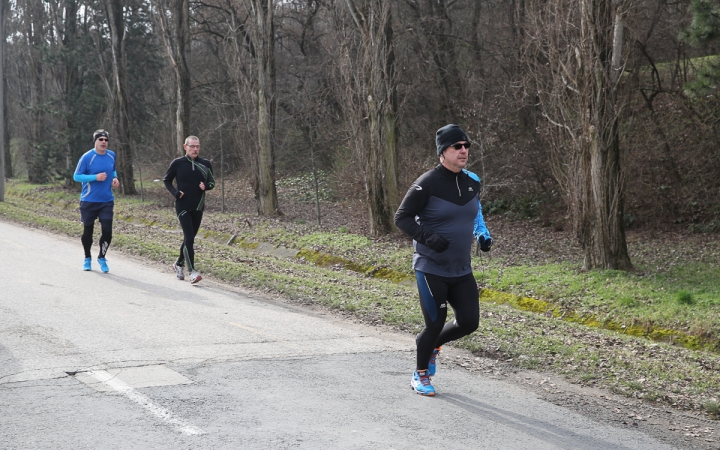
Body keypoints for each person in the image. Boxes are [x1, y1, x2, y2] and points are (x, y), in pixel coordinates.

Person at [394, 124, 493, 396]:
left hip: (460, 268)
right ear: (443, 152)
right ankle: (420, 373)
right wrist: (428, 238)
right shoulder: (427, 183)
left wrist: (482, 234)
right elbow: (401, 217)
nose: (464, 151)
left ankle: (431, 344)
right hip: (431, 267)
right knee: (435, 322)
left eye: (466, 146)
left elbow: (476, 213)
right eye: (457, 147)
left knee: (469, 322)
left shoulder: (472, 181)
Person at [163, 136, 215, 284]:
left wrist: (206, 186)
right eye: (192, 146)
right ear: (185, 147)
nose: (195, 149)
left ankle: (178, 264)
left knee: (189, 239)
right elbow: (166, 180)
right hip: (182, 206)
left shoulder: (205, 164)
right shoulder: (177, 163)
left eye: (197, 146)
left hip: (198, 207)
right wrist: (175, 193)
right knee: (190, 238)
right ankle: (192, 272)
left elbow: (212, 182)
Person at [73, 129, 120, 273]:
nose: (104, 142)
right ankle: (87, 257)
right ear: (95, 141)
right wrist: (95, 177)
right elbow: (77, 176)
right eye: (101, 140)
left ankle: (102, 257)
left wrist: (115, 178)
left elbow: (112, 170)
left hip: (106, 200)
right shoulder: (87, 157)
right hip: (89, 200)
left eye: (106, 140)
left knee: (107, 231)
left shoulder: (111, 155)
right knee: (88, 231)